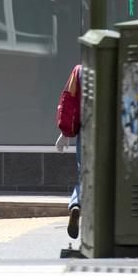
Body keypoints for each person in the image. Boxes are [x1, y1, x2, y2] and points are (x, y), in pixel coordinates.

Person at [55, 64, 82, 239]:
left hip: (86, 131)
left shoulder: (79, 71)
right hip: (118, 133)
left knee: (85, 174)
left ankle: (76, 204)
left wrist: (65, 133)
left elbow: (69, 101)